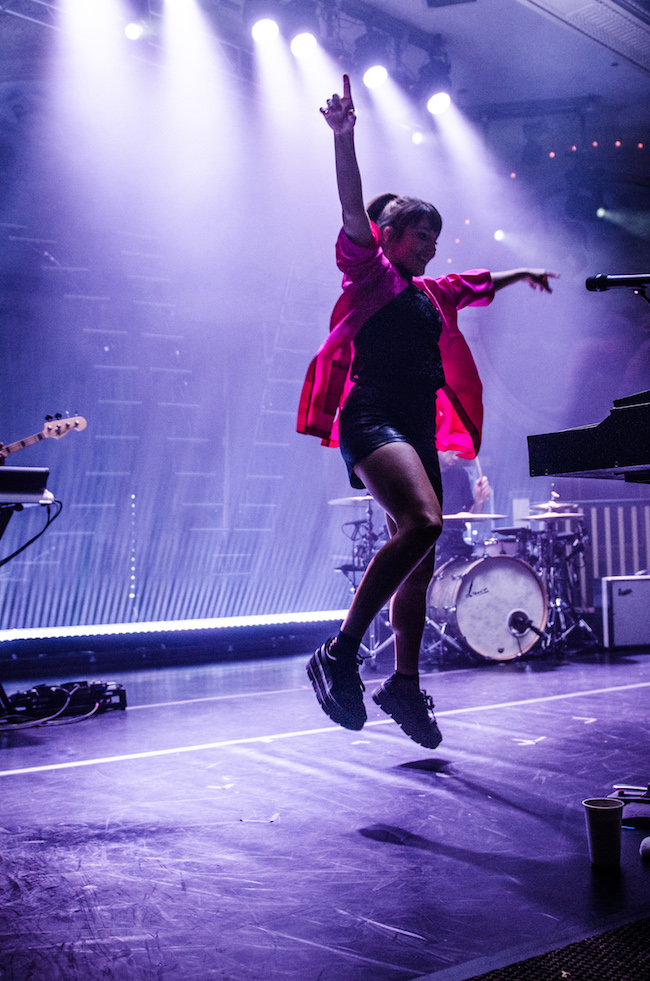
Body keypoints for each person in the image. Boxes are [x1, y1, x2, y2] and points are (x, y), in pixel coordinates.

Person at [298, 75, 557, 749]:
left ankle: (404, 684)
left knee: (421, 555)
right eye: (420, 234)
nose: (431, 244)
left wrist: (517, 274)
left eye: (436, 236)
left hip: (412, 425)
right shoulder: (372, 273)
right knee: (421, 522)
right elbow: (353, 208)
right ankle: (341, 652)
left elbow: (475, 281)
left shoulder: (430, 291)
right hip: (371, 415)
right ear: (388, 237)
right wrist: (344, 136)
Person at [435, 451, 491, 568]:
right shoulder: (423, 475)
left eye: (457, 452)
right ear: (438, 447)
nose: (455, 457)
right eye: (451, 452)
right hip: (431, 544)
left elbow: (471, 515)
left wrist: (479, 500)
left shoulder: (460, 475)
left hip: (457, 543)